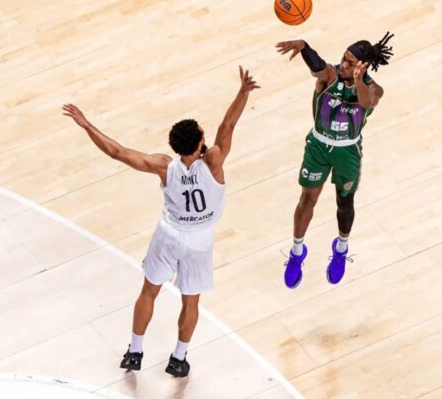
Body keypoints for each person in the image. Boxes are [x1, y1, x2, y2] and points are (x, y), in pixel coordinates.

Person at [62, 67, 259, 377]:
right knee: (190, 302)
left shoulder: (165, 167)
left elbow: (118, 152)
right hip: (199, 239)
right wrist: (243, 92)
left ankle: (135, 351)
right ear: (200, 143)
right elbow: (229, 123)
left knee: (149, 291)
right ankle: (179, 359)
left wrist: (86, 124)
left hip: (169, 234)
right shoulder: (214, 160)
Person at [275, 32, 394, 288]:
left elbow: (367, 100)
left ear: (362, 67)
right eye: (344, 58)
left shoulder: (374, 88)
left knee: (345, 202)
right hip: (318, 145)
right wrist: (305, 47)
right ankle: (297, 253)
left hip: (347, 151)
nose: (344, 64)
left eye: (350, 62)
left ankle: (341, 247)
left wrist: (359, 80)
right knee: (308, 198)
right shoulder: (331, 75)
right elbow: (320, 67)